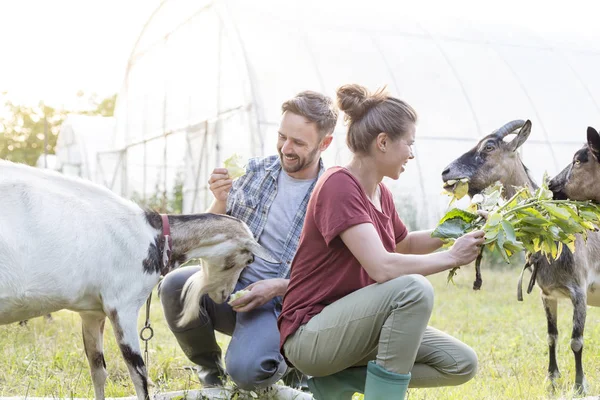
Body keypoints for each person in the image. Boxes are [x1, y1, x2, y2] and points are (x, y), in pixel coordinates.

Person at [278, 84, 485, 400]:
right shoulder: (338, 185)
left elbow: (404, 245)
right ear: (383, 142)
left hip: (353, 329)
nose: (411, 154)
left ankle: (336, 383)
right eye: (409, 144)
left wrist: (461, 225)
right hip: (311, 336)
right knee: (413, 289)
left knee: (460, 363)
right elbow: (383, 267)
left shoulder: (380, 193)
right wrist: (452, 258)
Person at [159, 90, 339, 393]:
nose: (286, 148)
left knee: (248, 374)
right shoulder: (254, 172)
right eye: (282, 136)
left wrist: (279, 287)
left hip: (283, 308)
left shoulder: (335, 193)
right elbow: (207, 237)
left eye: (298, 142)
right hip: (232, 290)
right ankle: (209, 371)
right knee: (175, 286)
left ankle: (292, 363)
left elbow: (334, 278)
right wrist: (219, 201)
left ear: (325, 143)